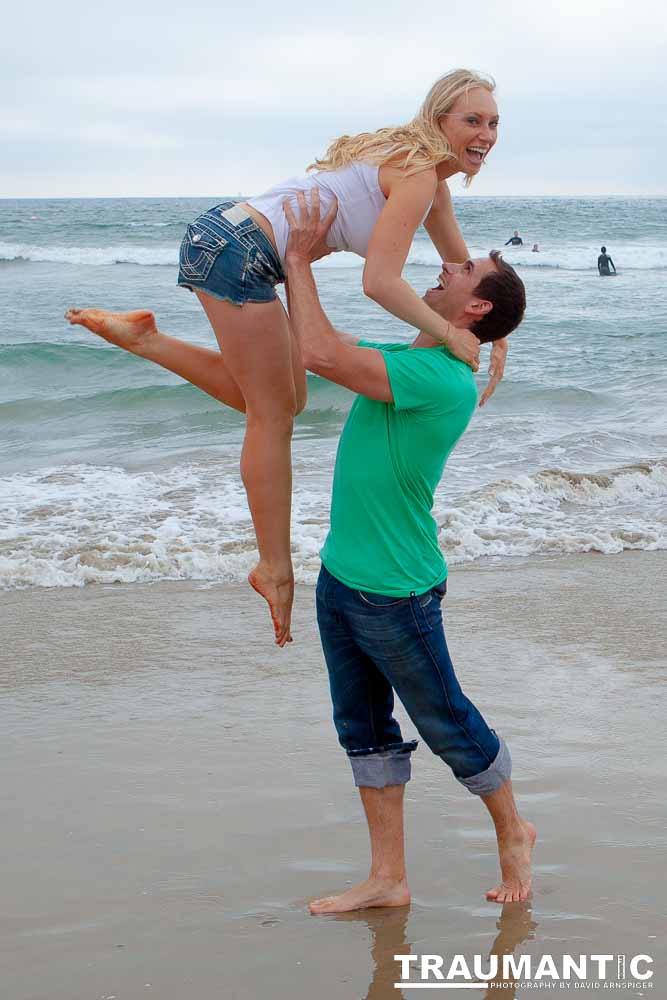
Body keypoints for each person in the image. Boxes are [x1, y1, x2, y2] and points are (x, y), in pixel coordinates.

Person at [65, 68, 506, 648]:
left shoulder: (431, 184)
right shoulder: (419, 176)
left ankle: (144, 338)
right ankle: (273, 568)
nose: (486, 134)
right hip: (238, 252)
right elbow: (380, 282)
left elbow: (470, 277)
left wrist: (497, 334)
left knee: (286, 397)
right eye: (472, 120)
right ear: (439, 120)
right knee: (271, 416)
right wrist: (449, 338)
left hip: (230, 238)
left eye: (493, 122)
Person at [282, 193, 534, 911]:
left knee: (447, 723)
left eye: (463, 269)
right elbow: (318, 347)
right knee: (362, 731)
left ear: (474, 309)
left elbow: (319, 352)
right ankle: (387, 879)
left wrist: (299, 257)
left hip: (396, 591)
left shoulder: (437, 381)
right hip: (342, 576)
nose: (446, 266)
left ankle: (514, 832)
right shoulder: (410, 358)